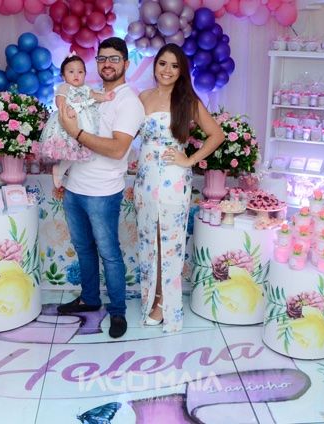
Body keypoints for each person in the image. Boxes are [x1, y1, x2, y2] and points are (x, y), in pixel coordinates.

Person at [57, 38, 145, 339]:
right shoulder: (90, 94)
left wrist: (77, 133)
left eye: (114, 58)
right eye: (102, 58)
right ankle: (90, 298)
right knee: (83, 248)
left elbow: (118, 149)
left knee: (109, 253)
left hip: (103, 191)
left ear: (126, 63)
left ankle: (117, 311)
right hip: (75, 187)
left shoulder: (128, 102)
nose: (107, 63)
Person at [134, 43, 225, 332]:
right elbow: (128, 133)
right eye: (163, 63)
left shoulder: (188, 100)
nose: (167, 70)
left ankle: (164, 304)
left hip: (173, 179)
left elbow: (216, 134)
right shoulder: (143, 97)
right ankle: (151, 297)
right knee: (148, 238)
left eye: (174, 66)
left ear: (181, 70)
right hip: (145, 180)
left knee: (168, 240)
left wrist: (190, 160)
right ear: (155, 66)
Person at [37, 54, 115, 188]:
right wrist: (68, 109)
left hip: (84, 124)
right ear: (63, 76)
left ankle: (66, 170)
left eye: (80, 72)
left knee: (79, 150)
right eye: (71, 72)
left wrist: (105, 97)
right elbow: (60, 101)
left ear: (85, 74)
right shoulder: (65, 87)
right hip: (68, 121)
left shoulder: (86, 88)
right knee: (70, 148)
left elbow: (95, 96)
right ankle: (60, 170)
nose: (76, 75)